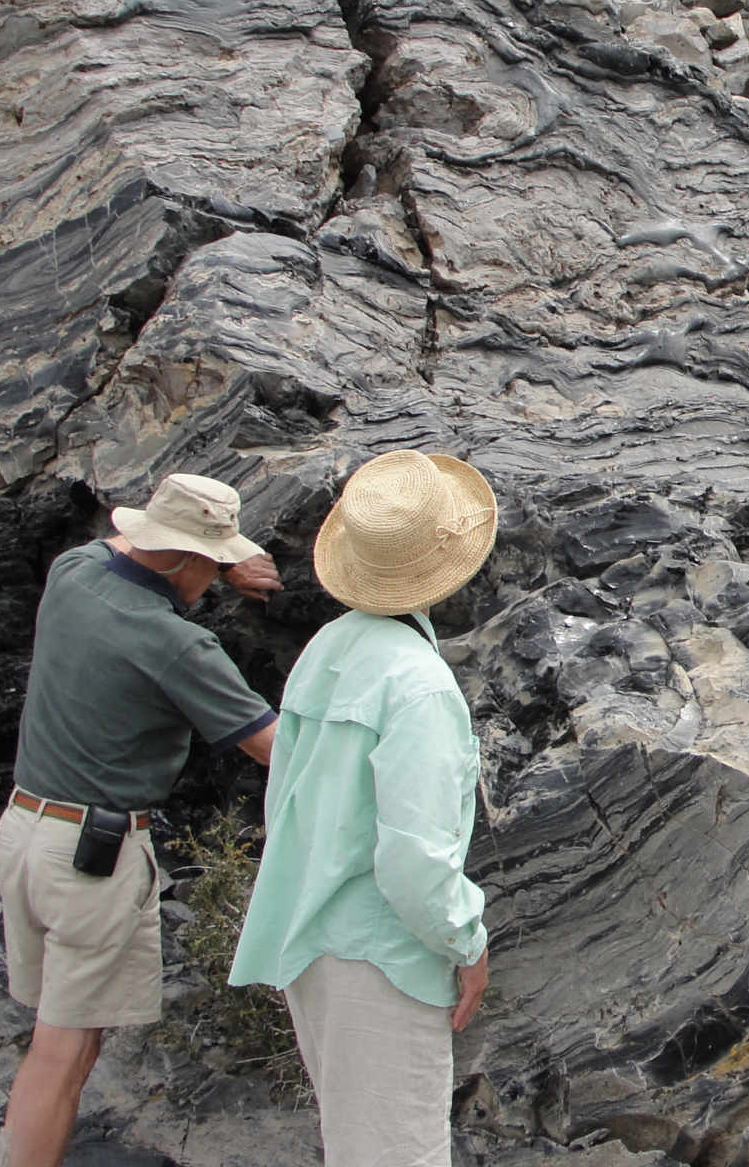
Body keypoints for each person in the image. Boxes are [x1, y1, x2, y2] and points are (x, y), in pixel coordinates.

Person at [0, 475, 281, 1167]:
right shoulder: (175, 644)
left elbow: (123, 552)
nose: (214, 581)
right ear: (186, 559)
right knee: (62, 1057)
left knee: (53, 1042)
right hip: (91, 863)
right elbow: (278, 750)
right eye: (210, 567)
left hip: (23, 832)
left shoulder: (72, 574)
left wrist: (210, 558)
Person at [232, 449, 499, 1167]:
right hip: (382, 958)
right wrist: (467, 944)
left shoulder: (329, 648)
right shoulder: (419, 683)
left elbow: (284, 797)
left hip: (312, 942)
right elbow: (414, 856)